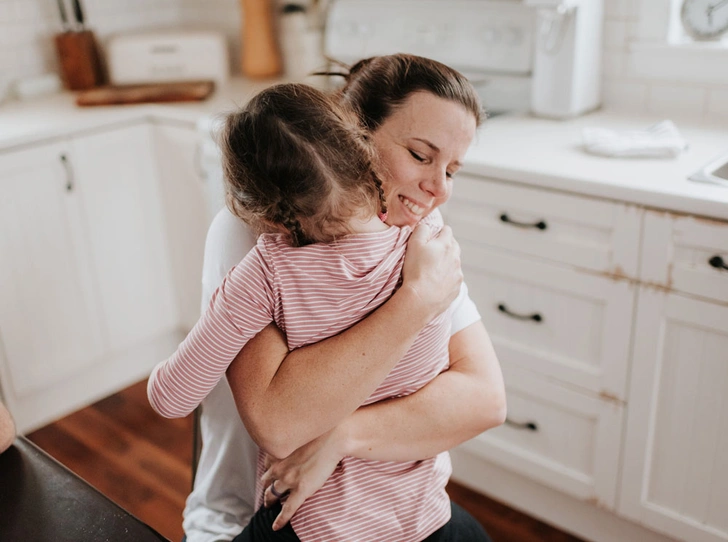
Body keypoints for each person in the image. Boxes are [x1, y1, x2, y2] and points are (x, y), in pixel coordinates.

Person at [183, 54, 507, 542]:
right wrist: (416, 299)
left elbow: (484, 398)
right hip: (259, 516)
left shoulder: (413, 235)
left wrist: (341, 436)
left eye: (453, 169)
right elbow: (279, 424)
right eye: (420, 155)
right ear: (353, 135)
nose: (439, 189)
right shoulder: (259, 230)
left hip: (384, 511)